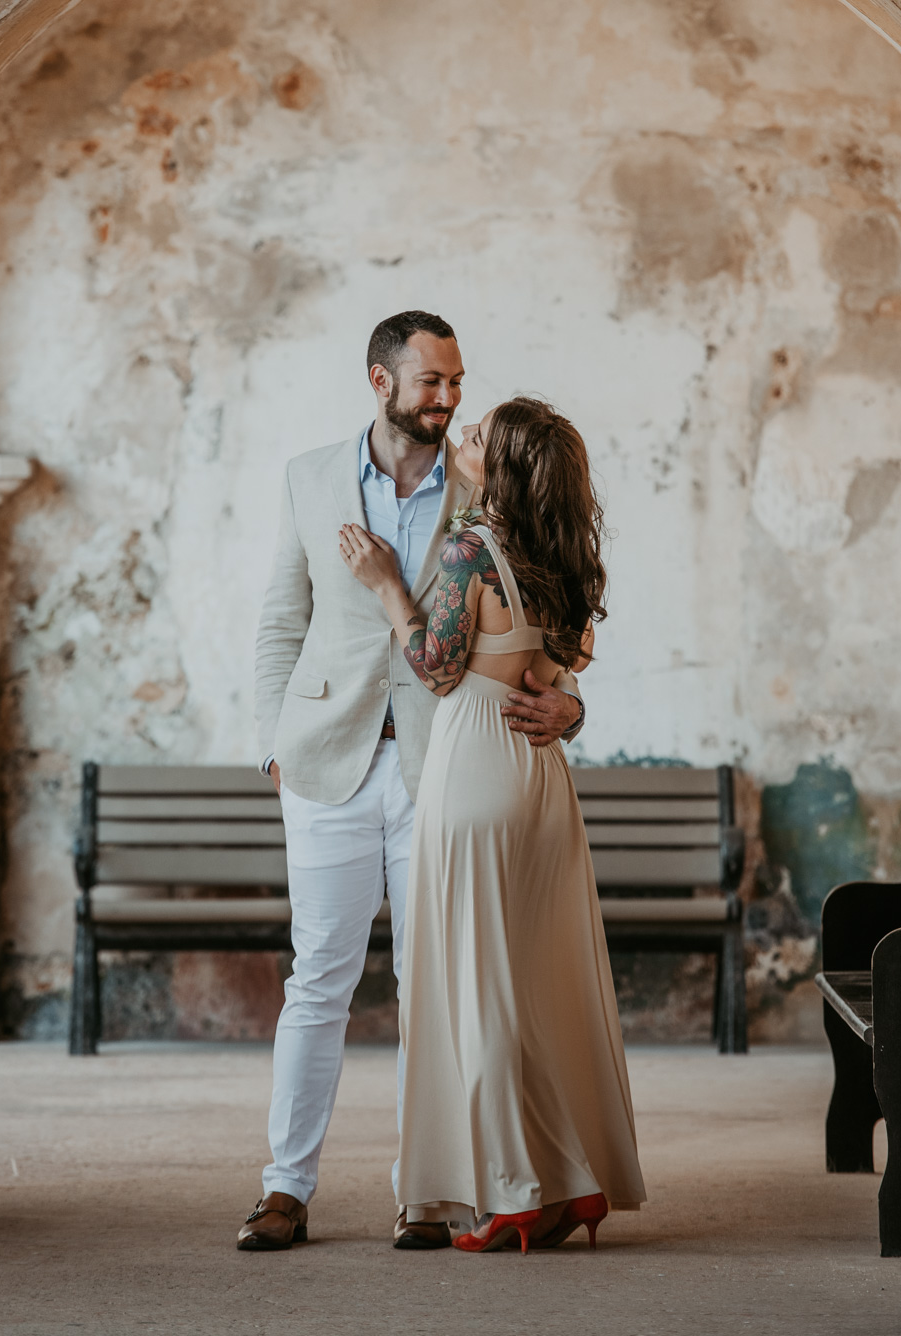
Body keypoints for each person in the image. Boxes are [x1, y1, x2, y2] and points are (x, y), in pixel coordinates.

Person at [238, 315, 586, 1254]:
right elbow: (281, 620)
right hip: (328, 763)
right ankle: (284, 1188)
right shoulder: (310, 478)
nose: (448, 399)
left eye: (456, 382)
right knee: (319, 981)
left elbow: (544, 612)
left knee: (431, 985)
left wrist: (573, 706)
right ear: (379, 381)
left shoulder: (483, 494)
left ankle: (424, 1192)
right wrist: (277, 746)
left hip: (448, 765)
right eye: (430, 382)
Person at [338, 396, 645, 1253]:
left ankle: (517, 1190)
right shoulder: (566, 556)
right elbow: (565, 668)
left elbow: (436, 667)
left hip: (475, 767)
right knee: (532, 985)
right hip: (542, 779)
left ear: (504, 466)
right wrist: (570, 709)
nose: (464, 436)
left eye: (482, 437)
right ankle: (566, 1184)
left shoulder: (475, 547)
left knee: (481, 988)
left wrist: (389, 587)